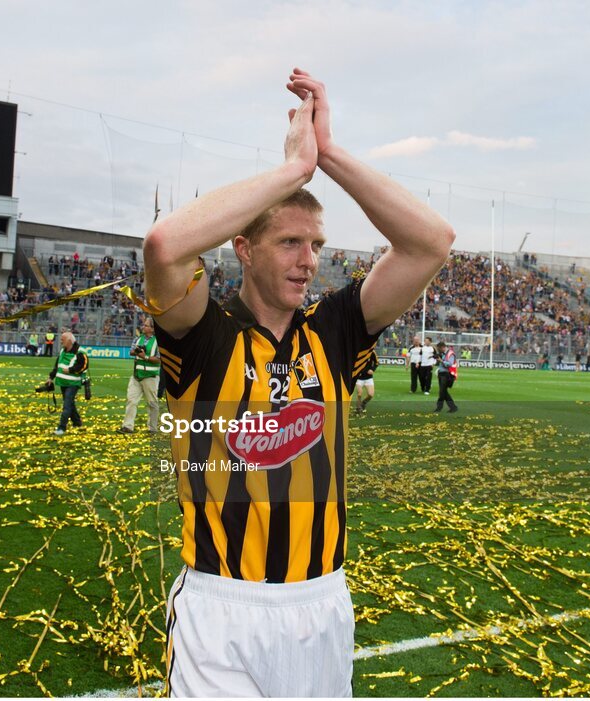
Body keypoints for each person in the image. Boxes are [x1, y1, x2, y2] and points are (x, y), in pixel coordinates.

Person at [143, 68, 453, 697]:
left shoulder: (335, 329)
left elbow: (431, 243)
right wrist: (291, 171)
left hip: (321, 602)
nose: (308, 259)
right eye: (289, 242)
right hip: (221, 605)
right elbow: (165, 246)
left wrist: (329, 153)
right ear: (244, 249)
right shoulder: (205, 331)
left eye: (315, 243)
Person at [119, 317, 161, 434]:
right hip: (136, 375)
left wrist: (145, 356)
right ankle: (127, 426)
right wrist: (137, 351)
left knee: (152, 403)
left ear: (152, 329)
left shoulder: (159, 341)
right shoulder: (138, 339)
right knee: (131, 400)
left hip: (150, 376)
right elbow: (131, 351)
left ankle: (152, 428)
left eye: (146, 325)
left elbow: (159, 359)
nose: (143, 326)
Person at [49, 332, 88, 436]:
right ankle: (77, 422)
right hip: (63, 382)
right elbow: (57, 365)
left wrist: (71, 370)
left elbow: (84, 366)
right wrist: (51, 377)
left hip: (73, 383)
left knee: (67, 405)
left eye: (63, 339)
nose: (61, 341)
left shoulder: (80, 352)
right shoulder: (62, 350)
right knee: (70, 403)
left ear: (70, 341)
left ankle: (61, 428)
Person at [352, 347, 378, 416]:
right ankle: (358, 408)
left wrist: (372, 369)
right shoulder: (358, 352)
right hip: (359, 378)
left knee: (370, 395)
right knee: (359, 393)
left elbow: (376, 363)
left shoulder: (372, 352)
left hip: (368, 378)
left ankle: (363, 403)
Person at [434, 341, 458, 413]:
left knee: (442, 392)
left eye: (439, 349)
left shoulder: (450, 354)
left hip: (447, 374)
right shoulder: (443, 354)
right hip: (441, 374)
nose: (438, 350)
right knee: (443, 392)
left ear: (443, 347)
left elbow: (449, 364)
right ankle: (452, 407)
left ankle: (439, 407)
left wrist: (441, 361)